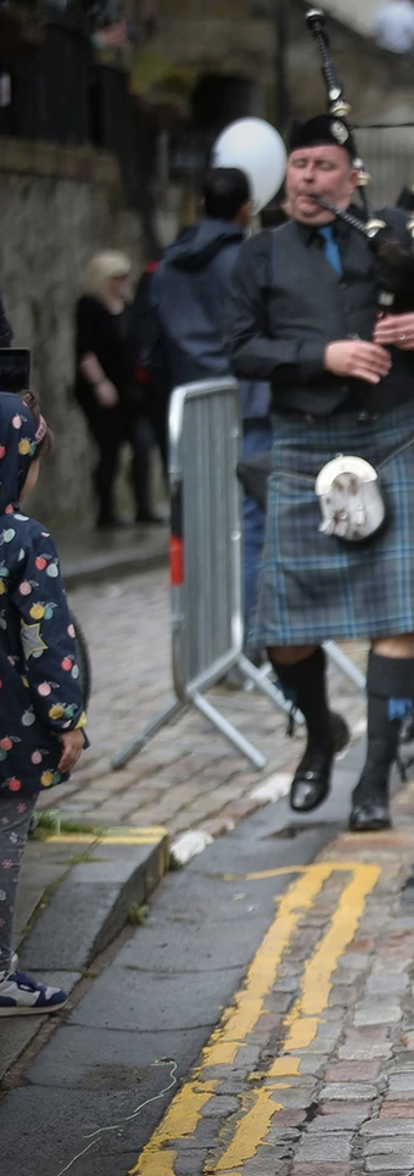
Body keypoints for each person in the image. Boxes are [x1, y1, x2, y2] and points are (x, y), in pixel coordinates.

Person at [226, 113, 414, 831]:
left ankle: (374, 781)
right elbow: (240, 349)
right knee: (285, 631)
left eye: (323, 165)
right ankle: (317, 734)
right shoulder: (260, 255)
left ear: (351, 176)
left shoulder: (392, 237)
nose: (308, 178)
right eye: (299, 165)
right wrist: (323, 357)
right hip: (305, 445)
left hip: (394, 437)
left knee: (397, 621)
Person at [151, 168, 274, 624]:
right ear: (246, 208)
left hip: (192, 401)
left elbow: (154, 346)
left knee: (200, 527)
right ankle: (249, 643)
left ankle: (212, 637)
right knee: (251, 526)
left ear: (201, 202)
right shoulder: (248, 261)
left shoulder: (168, 264)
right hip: (251, 404)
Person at [0, 395, 87, 1015]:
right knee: (4, 854)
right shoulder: (24, 540)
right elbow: (46, 641)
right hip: (9, 727)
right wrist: (67, 720)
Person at [75, 250, 159, 526]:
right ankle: (106, 511)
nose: (122, 282)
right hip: (103, 392)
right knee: (109, 450)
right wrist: (100, 383)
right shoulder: (90, 308)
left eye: (124, 277)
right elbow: (85, 351)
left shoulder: (128, 306)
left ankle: (144, 506)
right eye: (117, 277)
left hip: (132, 392)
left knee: (142, 446)